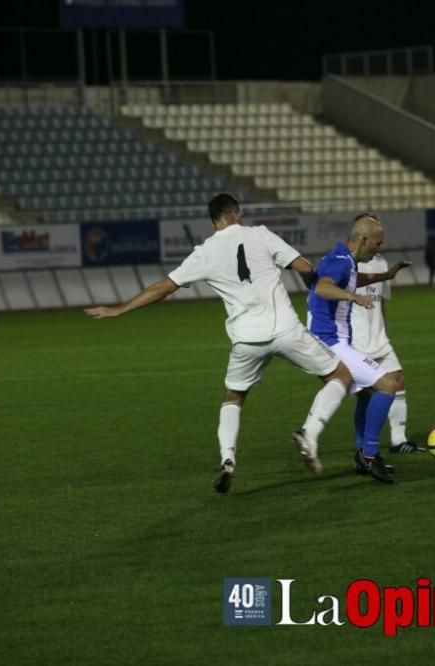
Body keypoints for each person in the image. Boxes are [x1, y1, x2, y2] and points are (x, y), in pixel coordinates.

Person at [84, 193, 354, 494]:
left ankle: (228, 460)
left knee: (233, 398)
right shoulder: (260, 234)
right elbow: (304, 266)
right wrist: (313, 288)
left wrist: (120, 309)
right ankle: (310, 434)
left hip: (246, 339)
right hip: (285, 330)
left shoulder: (205, 252)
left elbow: (164, 287)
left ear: (213, 220)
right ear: (236, 213)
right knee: (340, 376)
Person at [307, 212, 410, 483]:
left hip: (333, 340)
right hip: (329, 341)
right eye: (377, 243)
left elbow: (355, 280)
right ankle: (369, 456)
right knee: (388, 385)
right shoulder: (337, 261)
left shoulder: (347, 262)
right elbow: (322, 287)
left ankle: (363, 453)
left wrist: (385, 275)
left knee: (366, 395)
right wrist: (352, 297)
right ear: (363, 240)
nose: (379, 248)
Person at [353, 250, 423, 455]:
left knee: (398, 379)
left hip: (379, 337)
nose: (378, 242)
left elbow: (381, 301)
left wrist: (384, 330)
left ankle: (399, 440)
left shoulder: (381, 262)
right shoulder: (350, 262)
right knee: (366, 395)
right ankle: (362, 448)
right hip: (357, 338)